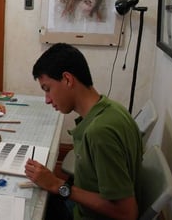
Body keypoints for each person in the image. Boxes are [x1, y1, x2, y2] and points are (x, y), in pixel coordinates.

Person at [24, 43, 143, 220]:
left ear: (67, 79)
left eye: (48, 89)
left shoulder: (100, 132)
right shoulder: (112, 108)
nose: (47, 100)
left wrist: (58, 185)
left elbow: (127, 213)